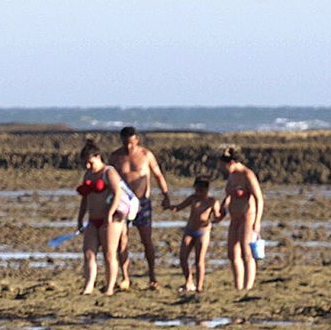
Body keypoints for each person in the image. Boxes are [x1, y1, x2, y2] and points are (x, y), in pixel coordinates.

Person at [108, 127, 172, 289]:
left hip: (143, 203)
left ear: (136, 140)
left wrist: (165, 195)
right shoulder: (116, 157)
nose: (128, 147)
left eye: (131, 143)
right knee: (122, 241)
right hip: (123, 203)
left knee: (146, 239)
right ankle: (125, 277)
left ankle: (152, 275)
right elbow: (109, 179)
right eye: (125, 143)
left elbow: (158, 175)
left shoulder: (145, 155)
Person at [73, 142, 131, 296]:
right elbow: (85, 199)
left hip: (111, 221)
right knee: (88, 252)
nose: (87, 165)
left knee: (109, 254)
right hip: (93, 219)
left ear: (98, 157)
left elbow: (117, 193)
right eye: (85, 162)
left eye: (90, 162)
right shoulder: (88, 175)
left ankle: (110, 287)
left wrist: (110, 214)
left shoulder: (109, 172)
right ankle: (88, 286)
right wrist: (80, 219)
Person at [216, 149, 264, 292]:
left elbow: (259, 198)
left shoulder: (247, 175)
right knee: (232, 253)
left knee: (246, 252)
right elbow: (229, 196)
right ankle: (238, 286)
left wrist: (257, 221)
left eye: (223, 166)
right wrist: (222, 212)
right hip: (234, 217)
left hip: (247, 216)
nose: (222, 169)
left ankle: (248, 287)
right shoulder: (232, 176)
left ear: (231, 163)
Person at [168, 177, 223, 292]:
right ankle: (188, 281)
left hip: (203, 232)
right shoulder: (193, 198)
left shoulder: (212, 201)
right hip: (190, 230)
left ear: (206, 189)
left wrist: (219, 217)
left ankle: (199, 286)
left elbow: (217, 216)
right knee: (183, 257)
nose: (199, 193)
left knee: (199, 260)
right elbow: (179, 207)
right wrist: (170, 206)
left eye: (201, 190)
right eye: (197, 190)